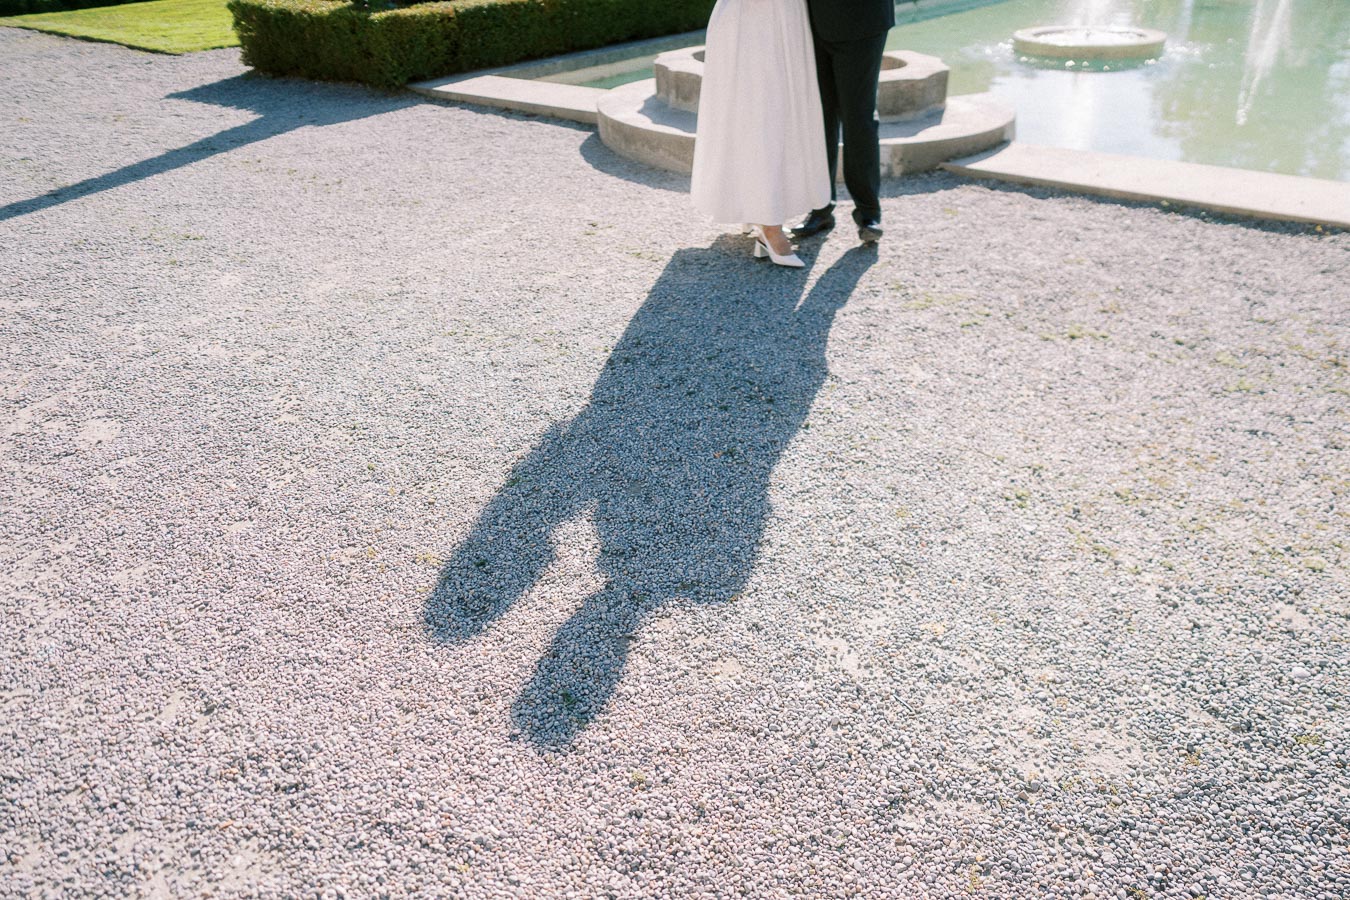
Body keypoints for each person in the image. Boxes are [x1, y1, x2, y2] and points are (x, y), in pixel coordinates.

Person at [691, 0, 832, 269]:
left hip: (786, 18)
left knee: (778, 117)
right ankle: (769, 225)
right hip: (752, 25)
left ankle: (757, 208)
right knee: (760, 114)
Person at [793, 0, 896, 244]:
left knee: (858, 118)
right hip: (811, 23)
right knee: (819, 119)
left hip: (863, 23)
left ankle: (869, 214)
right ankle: (820, 208)